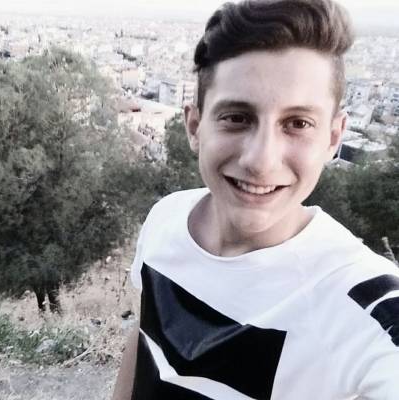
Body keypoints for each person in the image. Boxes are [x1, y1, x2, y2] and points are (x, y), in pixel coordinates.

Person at [111, 0, 399, 399]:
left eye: (298, 123)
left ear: (333, 139)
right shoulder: (166, 218)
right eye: (237, 117)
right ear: (194, 127)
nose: (261, 161)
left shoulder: (364, 307)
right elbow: (145, 340)